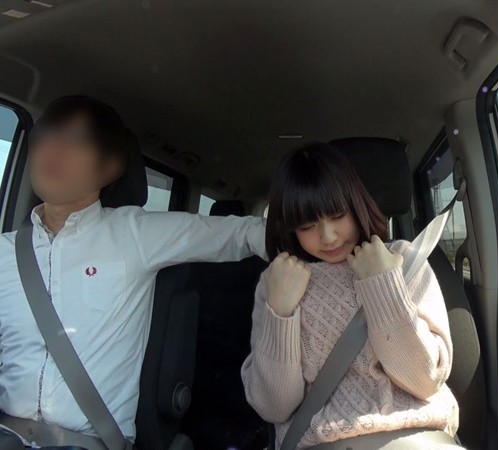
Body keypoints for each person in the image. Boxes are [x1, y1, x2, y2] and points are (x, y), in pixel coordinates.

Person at [0, 96, 266, 445]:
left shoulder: (136, 233)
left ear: (109, 167)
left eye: (76, 139)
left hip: (90, 442)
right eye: (44, 135)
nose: (53, 148)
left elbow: (244, 234)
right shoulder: (5, 250)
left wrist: (320, 248)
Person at [241, 143, 459, 449]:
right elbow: (273, 407)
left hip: (419, 437)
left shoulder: (404, 261)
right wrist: (280, 311)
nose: (328, 237)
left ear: (357, 205)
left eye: (338, 215)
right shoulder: (275, 283)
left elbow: (424, 380)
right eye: (307, 225)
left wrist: (383, 285)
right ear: (290, 228)